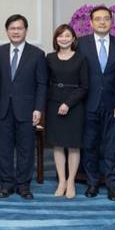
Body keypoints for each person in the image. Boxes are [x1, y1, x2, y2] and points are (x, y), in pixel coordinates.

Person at [78, 5, 115, 201]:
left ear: (111, 21)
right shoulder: (81, 44)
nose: (102, 22)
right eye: (97, 18)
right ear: (90, 22)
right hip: (88, 104)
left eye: (106, 18)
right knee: (89, 146)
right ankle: (92, 183)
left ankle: (112, 186)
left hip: (113, 105)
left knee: (112, 147)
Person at [0, 14, 47, 200]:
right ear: (7, 31)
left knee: (26, 149)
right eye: (12, 28)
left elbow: (42, 84)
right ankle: (6, 184)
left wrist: (38, 109)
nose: (15, 31)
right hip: (3, 109)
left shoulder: (37, 54)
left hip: (27, 109)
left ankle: (24, 186)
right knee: (4, 149)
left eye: (19, 28)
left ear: (26, 30)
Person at [45, 24, 88, 199]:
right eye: (60, 36)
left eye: (67, 35)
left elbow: (85, 86)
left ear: (73, 39)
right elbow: (44, 83)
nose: (63, 38)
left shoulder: (81, 59)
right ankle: (61, 180)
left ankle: (71, 181)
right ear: (56, 39)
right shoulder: (49, 58)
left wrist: (68, 104)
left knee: (73, 145)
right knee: (58, 144)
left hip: (75, 106)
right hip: (53, 104)